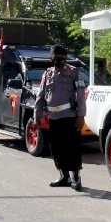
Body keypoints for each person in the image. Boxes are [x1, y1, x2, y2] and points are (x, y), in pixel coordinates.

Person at [34, 44, 87, 191]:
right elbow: (41, 95)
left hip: (69, 117)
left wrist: (81, 115)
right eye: (55, 57)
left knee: (72, 148)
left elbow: (81, 95)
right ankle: (64, 176)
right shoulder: (47, 73)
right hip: (53, 118)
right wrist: (37, 115)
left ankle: (76, 178)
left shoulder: (74, 72)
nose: (58, 59)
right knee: (56, 149)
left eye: (61, 57)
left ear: (65, 57)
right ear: (51, 58)